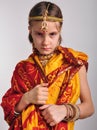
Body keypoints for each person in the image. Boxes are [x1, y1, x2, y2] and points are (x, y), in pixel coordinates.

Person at [1, 1, 94, 130]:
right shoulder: (22, 68)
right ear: (30, 31)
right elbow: (10, 115)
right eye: (39, 34)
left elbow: (89, 107)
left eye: (52, 34)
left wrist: (65, 110)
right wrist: (26, 98)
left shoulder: (74, 63)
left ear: (60, 30)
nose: (46, 42)